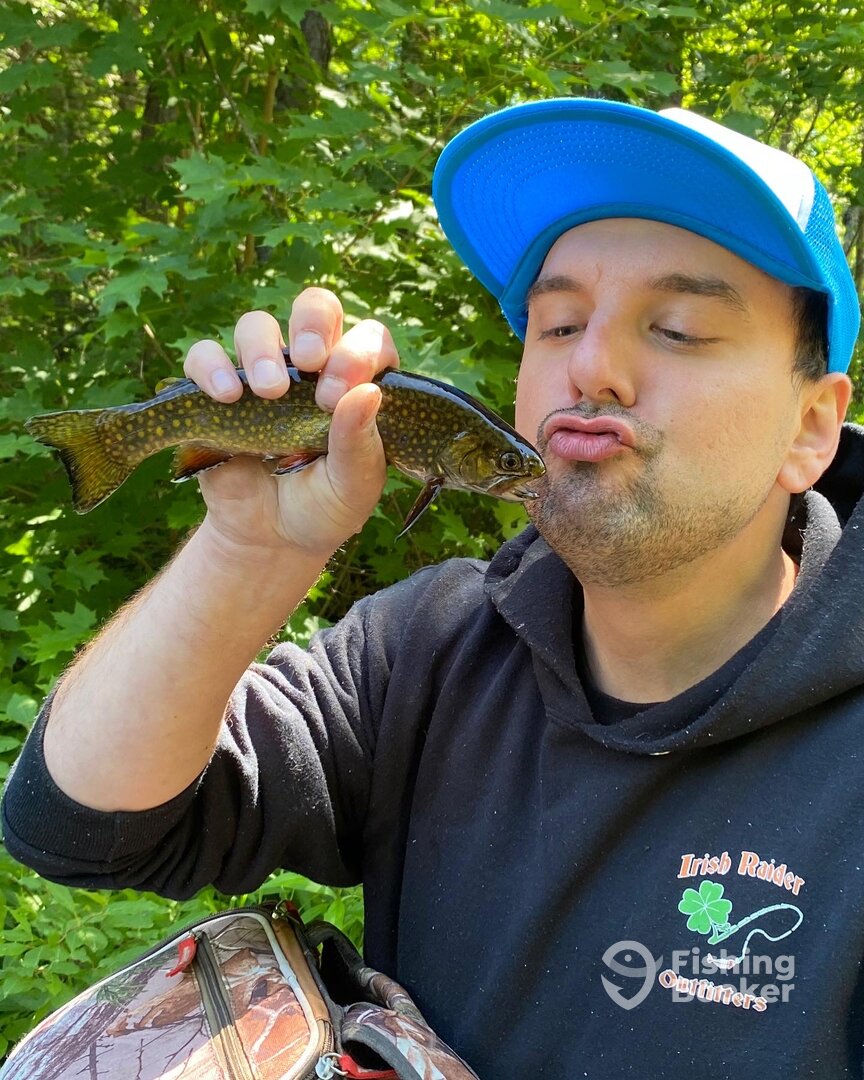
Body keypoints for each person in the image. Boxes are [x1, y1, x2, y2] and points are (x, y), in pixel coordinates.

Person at [3, 98, 863, 1078]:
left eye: (677, 328)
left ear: (811, 427)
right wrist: (245, 552)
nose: (592, 366)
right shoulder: (430, 647)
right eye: (558, 323)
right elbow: (80, 825)